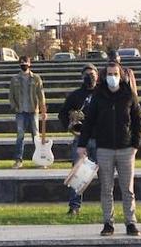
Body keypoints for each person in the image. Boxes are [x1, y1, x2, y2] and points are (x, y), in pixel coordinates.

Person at [77, 62, 141, 237]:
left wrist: (135, 144)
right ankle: (108, 223)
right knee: (106, 189)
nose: (112, 77)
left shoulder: (129, 94)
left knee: (127, 189)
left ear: (121, 75)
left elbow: (138, 120)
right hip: (104, 149)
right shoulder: (98, 96)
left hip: (126, 149)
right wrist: (82, 144)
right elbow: (89, 122)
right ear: (104, 75)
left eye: (115, 73)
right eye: (109, 74)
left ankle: (131, 222)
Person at [58, 64, 98, 216]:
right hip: (81, 140)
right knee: (78, 175)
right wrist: (69, 125)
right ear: (82, 77)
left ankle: (108, 207)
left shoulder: (102, 94)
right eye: (87, 75)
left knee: (105, 177)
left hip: (100, 139)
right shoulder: (75, 95)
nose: (90, 77)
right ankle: (74, 206)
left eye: (92, 74)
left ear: (97, 76)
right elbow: (62, 113)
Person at [9, 56, 47, 169]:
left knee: (36, 136)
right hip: (20, 111)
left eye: (25, 62)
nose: (23, 64)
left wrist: (43, 109)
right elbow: (11, 95)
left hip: (33, 110)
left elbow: (41, 95)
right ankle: (18, 160)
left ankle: (40, 160)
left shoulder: (36, 78)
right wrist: (14, 107)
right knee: (20, 136)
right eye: (21, 62)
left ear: (30, 64)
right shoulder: (14, 79)